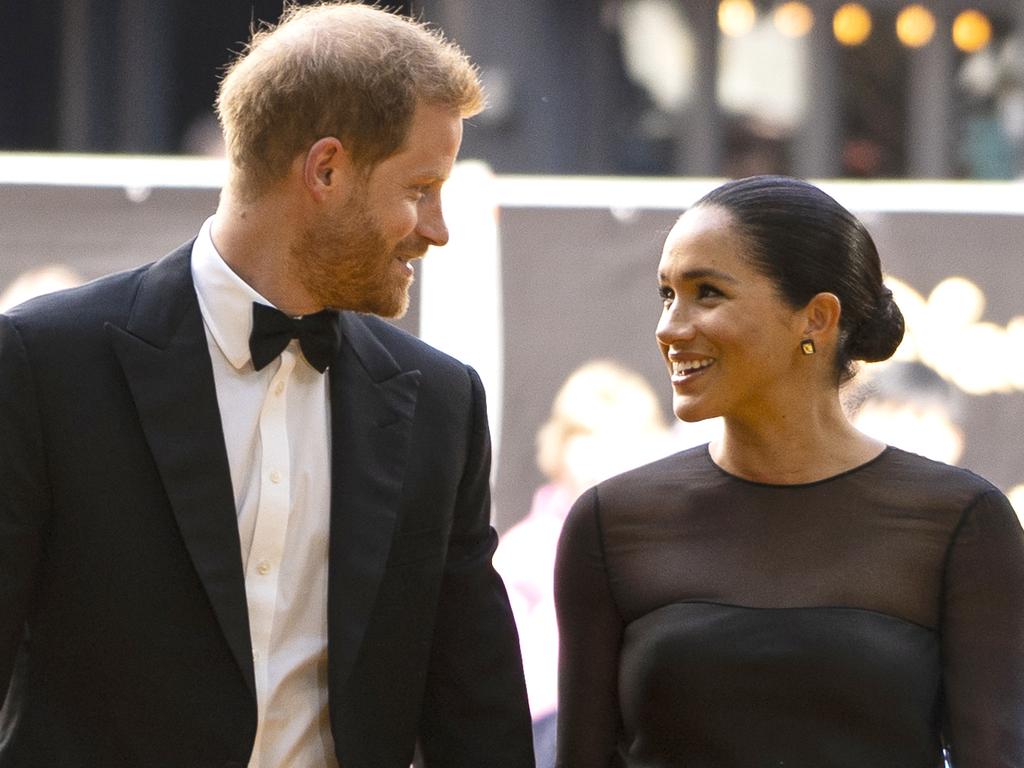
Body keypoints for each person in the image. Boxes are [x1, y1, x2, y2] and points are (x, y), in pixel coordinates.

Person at [0, 5, 533, 767]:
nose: (437, 228)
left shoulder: (440, 404)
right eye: (421, 187)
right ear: (325, 170)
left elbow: (478, 715)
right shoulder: (45, 362)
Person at [554, 175, 1024, 767]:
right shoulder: (611, 523)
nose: (670, 328)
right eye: (667, 294)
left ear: (817, 318)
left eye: (707, 293)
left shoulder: (961, 522)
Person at [494, 359, 671, 766]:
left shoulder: (668, 545)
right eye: (588, 437)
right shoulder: (522, 554)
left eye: (621, 439)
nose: (603, 457)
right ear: (561, 445)